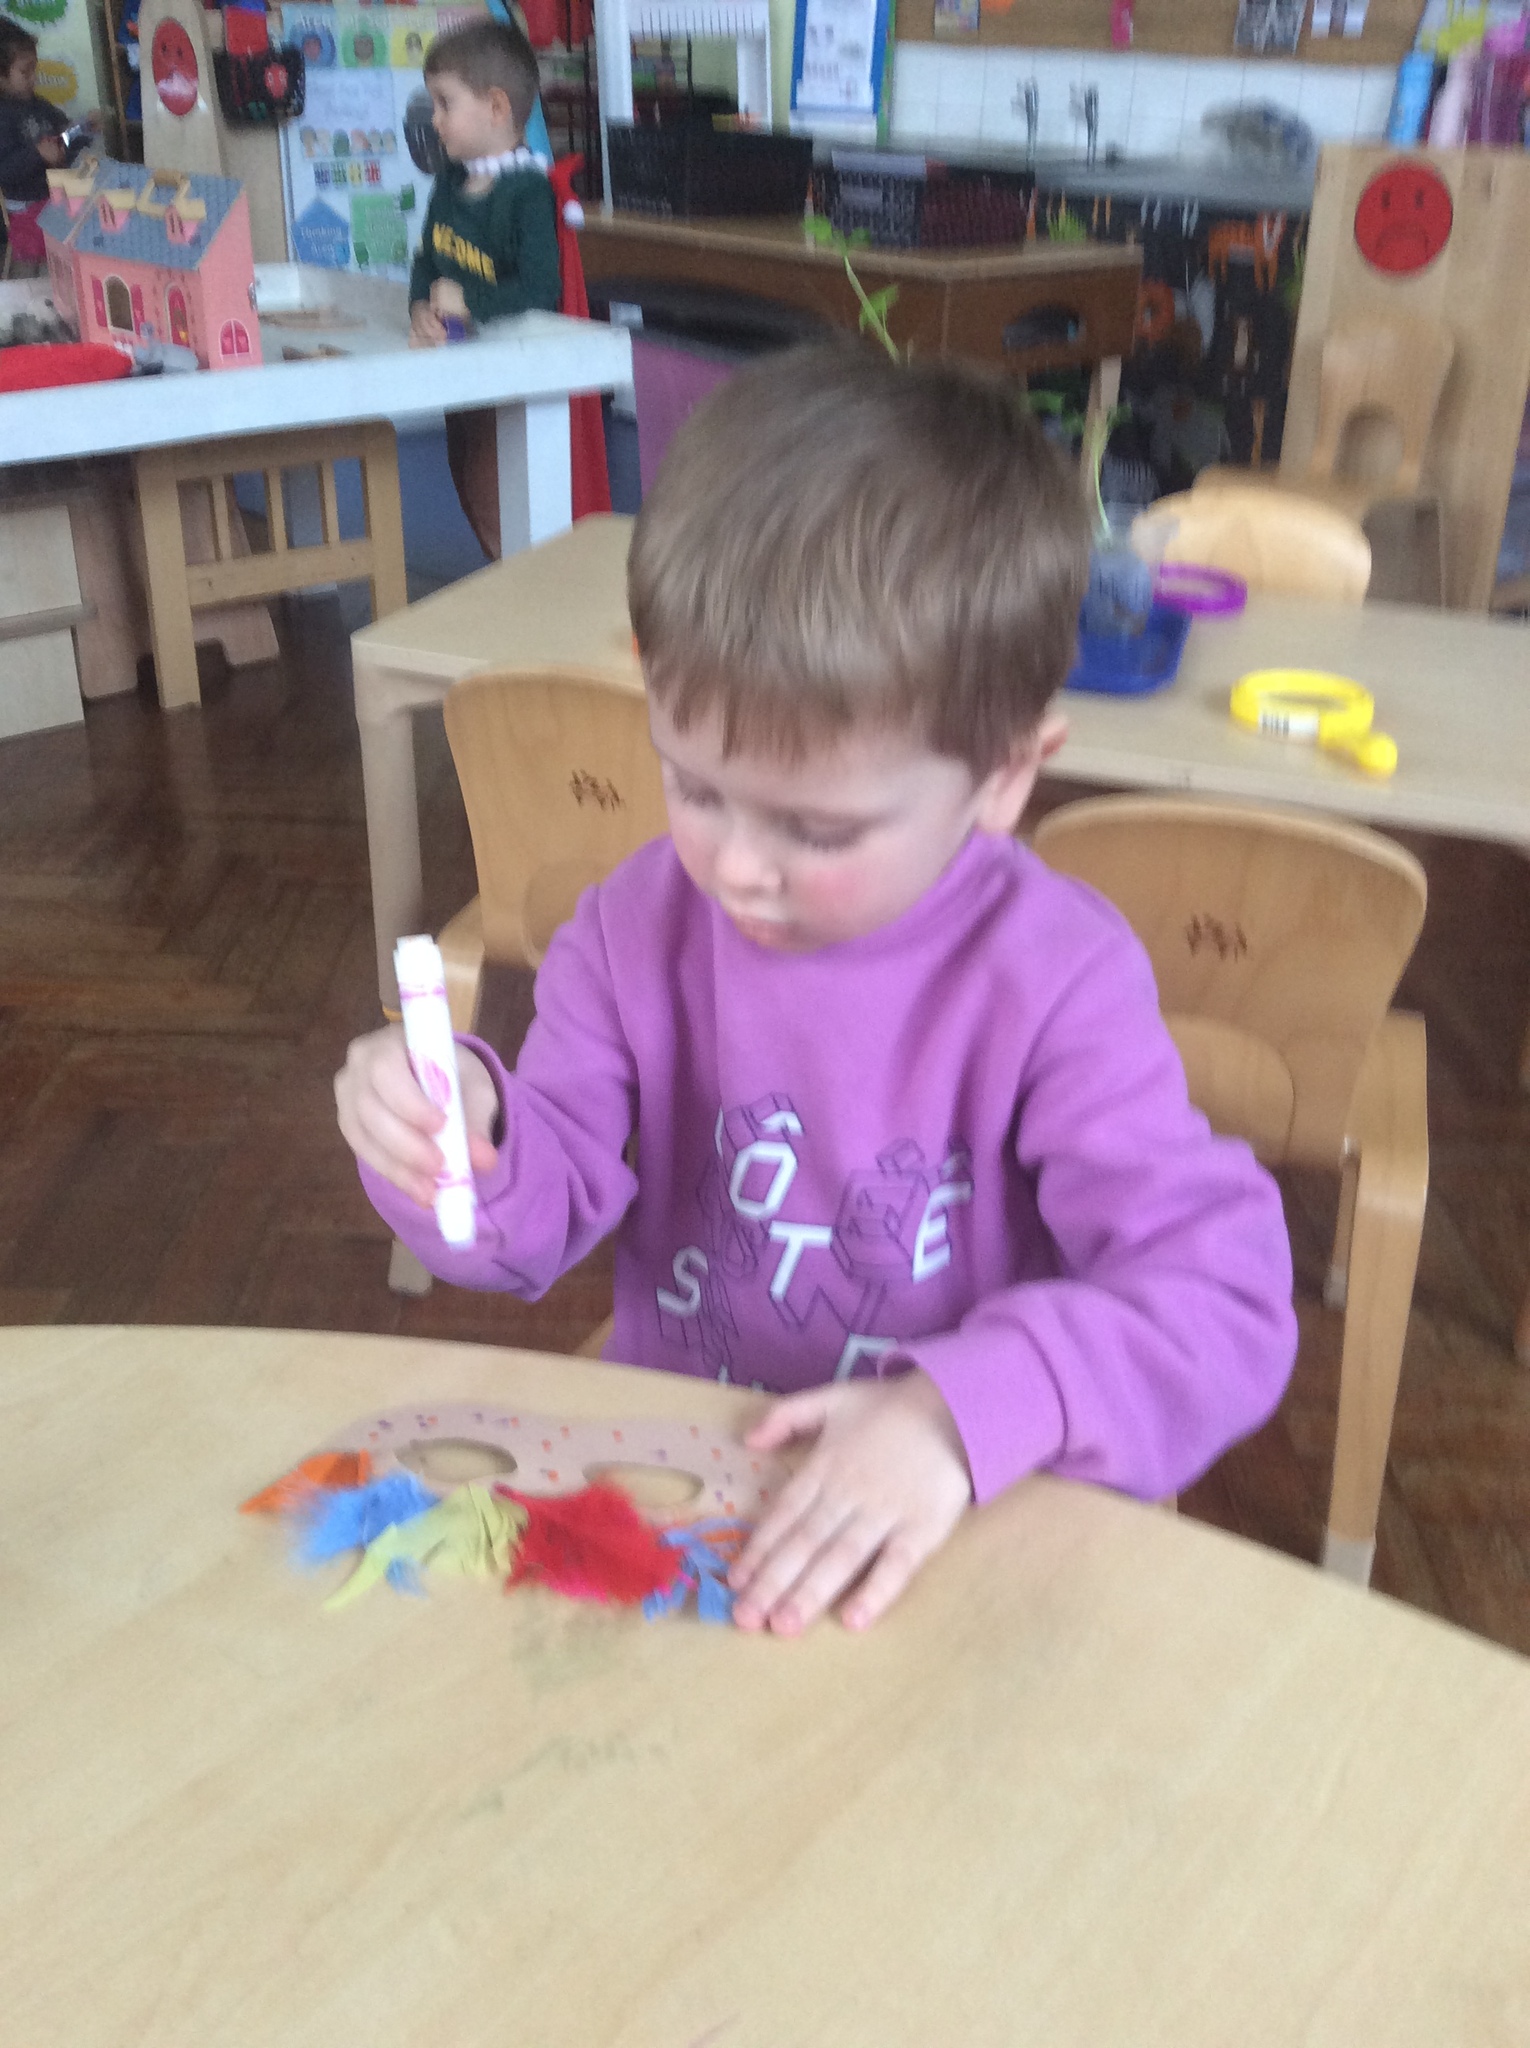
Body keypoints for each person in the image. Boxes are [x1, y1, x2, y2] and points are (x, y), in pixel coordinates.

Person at [335, 345, 1298, 1637]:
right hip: (703, 1501)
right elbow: (527, 1230)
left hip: (955, 1520)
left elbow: (1223, 1301)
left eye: (820, 829)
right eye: (695, 785)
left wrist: (954, 1414)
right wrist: (458, 1139)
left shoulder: (1052, 975)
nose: (735, 864)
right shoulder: (630, 929)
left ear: (1006, 776)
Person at [407, 16, 560, 560]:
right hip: (460, 374)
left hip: (509, 382)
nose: (435, 120)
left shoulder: (528, 193)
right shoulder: (449, 183)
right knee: (469, 483)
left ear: (496, 107)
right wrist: (419, 306)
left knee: (499, 498)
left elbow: (542, 290)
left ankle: (524, 593)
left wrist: (470, 303)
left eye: (445, 103)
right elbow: (427, 260)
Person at [0, 16, 95, 277]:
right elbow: (5, 171)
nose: (34, 78)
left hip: (54, 197)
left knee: (89, 217)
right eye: (25, 71)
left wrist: (84, 128)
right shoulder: (3, 117)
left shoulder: (39, 105)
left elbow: (64, 138)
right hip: (27, 208)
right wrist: (37, 154)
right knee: (62, 239)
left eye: (34, 69)